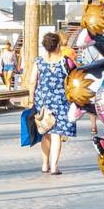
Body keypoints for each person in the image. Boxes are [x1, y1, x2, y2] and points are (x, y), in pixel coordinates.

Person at [28, 31, 75, 174]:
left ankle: (44, 164)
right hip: (61, 101)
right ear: (58, 45)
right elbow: (75, 78)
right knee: (57, 135)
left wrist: (31, 100)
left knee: (45, 133)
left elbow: (32, 82)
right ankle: (54, 167)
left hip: (43, 102)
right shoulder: (66, 61)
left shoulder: (39, 61)